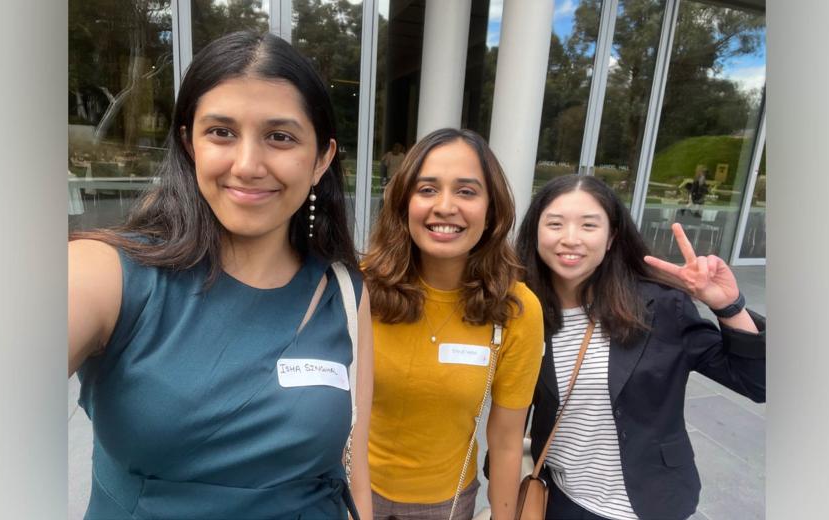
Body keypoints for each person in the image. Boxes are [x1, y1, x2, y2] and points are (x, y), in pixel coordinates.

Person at [68, 31, 374, 519]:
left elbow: (352, 467)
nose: (247, 165)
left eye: (280, 136)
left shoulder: (342, 290)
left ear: (321, 160)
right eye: (221, 132)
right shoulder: (108, 274)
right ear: (190, 144)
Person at [515, 175, 765, 520]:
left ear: (611, 238)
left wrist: (729, 306)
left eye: (589, 225)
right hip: (562, 501)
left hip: (651, 502)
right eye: (555, 224)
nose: (569, 239)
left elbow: (757, 382)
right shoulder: (524, 313)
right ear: (536, 233)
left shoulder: (660, 307)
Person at [361, 128, 545, 520]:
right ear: (403, 202)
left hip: (445, 504)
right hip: (352, 490)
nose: (445, 206)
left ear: (492, 210)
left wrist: (503, 516)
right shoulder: (361, 287)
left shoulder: (516, 309)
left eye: (466, 191)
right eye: (427, 189)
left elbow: (508, 439)